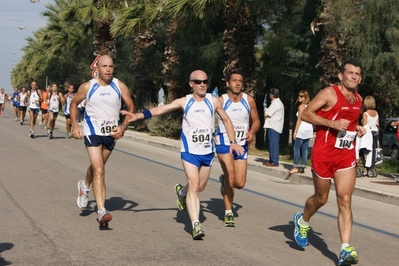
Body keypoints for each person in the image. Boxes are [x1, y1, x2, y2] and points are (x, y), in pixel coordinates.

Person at [121, 70, 244, 240]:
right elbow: (161, 110)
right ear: (191, 83)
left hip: (207, 152)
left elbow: (226, 120)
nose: (202, 85)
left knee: (200, 187)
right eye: (198, 82)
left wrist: (233, 141)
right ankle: (195, 225)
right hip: (189, 152)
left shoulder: (213, 101)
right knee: (194, 185)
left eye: (205, 82)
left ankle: (181, 193)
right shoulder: (184, 101)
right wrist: (139, 115)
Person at [293, 58, 366, 266]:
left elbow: (349, 124)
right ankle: (302, 220)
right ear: (341, 75)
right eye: (349, 72)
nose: (353, 76)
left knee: (344, 198)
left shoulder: (358, 99)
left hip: (345, 156)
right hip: (323, 154)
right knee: (321, 198)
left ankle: (345, 249)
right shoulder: (329, 93)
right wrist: (331, 123)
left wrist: (357, 129)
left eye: (357, 73)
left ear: (359, 78)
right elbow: (305, 114)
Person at [70, 55, 134, 228]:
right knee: (99, 169)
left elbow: (131, 108)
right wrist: (75, 125)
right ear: (96, 68)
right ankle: (101, 211)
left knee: (97, 167)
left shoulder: (119, 86)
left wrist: (124, 127)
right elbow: (74, 104)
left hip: (111, 134)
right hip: (92, 132)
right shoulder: (87, 87)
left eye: (111, 66)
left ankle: (84, 185)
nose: (108, 69)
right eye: (104, 66)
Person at [215, 72, 260, 227]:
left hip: (241, 145)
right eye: (234, 80)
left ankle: (224, 181)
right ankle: (228, 213)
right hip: (224, 144)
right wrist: (211, 134)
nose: (237, 83)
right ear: (228, 83)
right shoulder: (221, 101)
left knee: (239, 183)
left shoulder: (249, 101)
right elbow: (207, 118)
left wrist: (252, 132)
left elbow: (256, 121)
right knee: (231, 177)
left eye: (240, 81)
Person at [288, 90, 314, 174]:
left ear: (305, 97)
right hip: (309, 128)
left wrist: (295, 131)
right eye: (299, 96)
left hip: (302, 128)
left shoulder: (301, 106)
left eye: (301, 96)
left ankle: (295, 166)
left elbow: (299, 119)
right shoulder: (310, 106)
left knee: (296, 148)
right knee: (304, 148)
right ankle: (303, 166)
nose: (299, 97)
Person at [263, 88, 284, 166]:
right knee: (272, 144)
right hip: (274, 126)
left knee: (273, 144)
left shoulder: (275, 103)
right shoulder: (277, 103)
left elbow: (266, 114)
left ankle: (274, 161)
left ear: (272, 95)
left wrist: (265, 108)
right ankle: (271, 160)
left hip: (274, 127)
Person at [361, 96, 379, 176]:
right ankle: (372, 166)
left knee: (365, 149)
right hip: (375, 131)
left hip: (368, 132)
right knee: (373, 149)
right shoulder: (376, 113)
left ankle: (365, 166)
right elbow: (377, 124)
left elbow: (364, 125)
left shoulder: (365, 114)